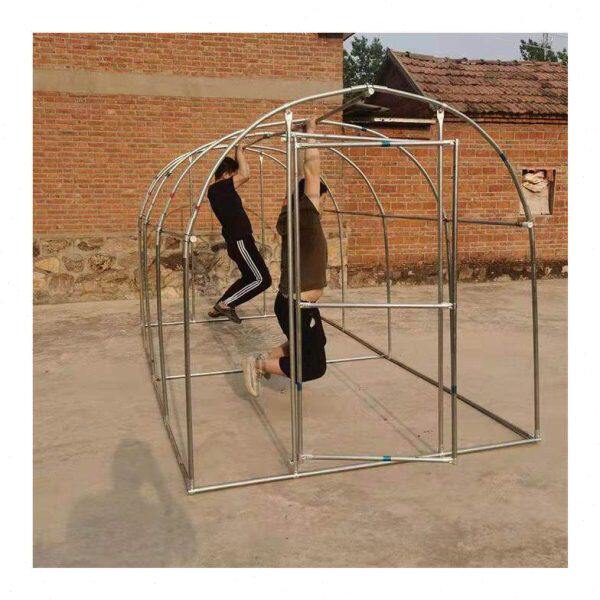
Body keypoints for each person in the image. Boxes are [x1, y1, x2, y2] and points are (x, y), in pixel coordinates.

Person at [242, 116, 328, 397]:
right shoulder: (306, 216)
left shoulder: (292, 217)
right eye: (322, 199)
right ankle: (258, 365)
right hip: (296, 304)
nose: (324, 204)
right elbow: (311, 169)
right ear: (309, 198)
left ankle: (265, 358)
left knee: (315, 342)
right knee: (315, 366)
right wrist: (310, 134)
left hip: (295, 303)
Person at [206, 143, 272, 323]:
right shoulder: (218, 188)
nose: (236, 180)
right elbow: (246, 174)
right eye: (233, 175)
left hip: (239, 240)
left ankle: (218, 307)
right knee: (262, 279)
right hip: (240, 240)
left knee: (250, 277)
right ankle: (225, 305)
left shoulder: (220, 192)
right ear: (226, 175)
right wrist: (239, 152)